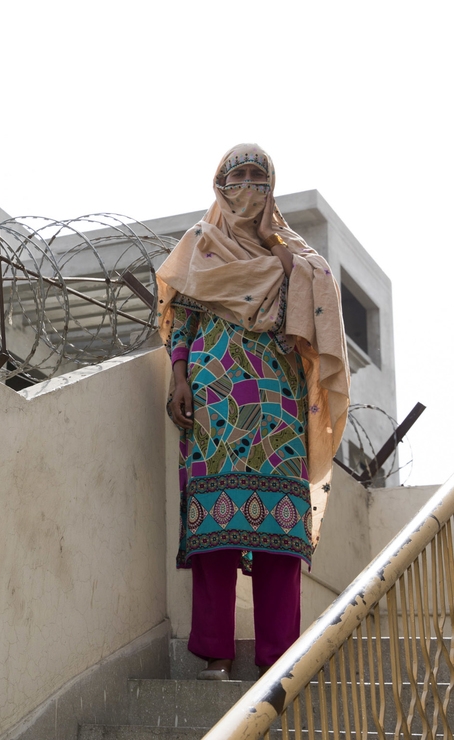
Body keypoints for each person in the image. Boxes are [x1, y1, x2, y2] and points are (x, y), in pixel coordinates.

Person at [155, 144, 350, 679]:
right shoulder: (200, 245)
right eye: (236, 175)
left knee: (281, 535)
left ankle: (279, 659)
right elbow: (181, 320)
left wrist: (289, 267)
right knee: (215, 532)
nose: (247, 185)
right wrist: (178, 378)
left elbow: (316, 317)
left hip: (278, 408)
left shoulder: (295, 255)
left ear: (272, 186)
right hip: (213, 402)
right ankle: (216, 653)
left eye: (257, 177)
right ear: (219, 185)